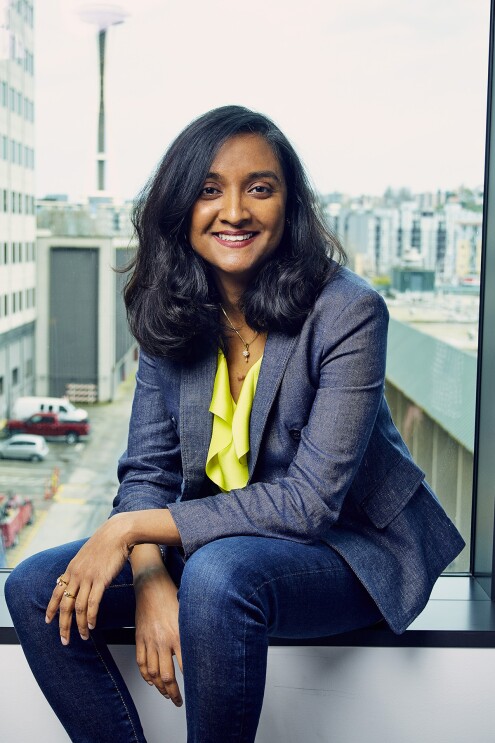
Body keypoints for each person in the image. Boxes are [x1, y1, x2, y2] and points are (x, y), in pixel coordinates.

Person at [5, 106, 465, 743]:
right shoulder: (168, 304)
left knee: (220, 575)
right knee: (34, 586)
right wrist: (148, 576)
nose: (235, 211)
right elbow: (147, 470)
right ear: (179, 207)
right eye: (209, 189)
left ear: (288, 204)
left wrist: (131, 530)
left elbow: (309, 504)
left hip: (348, 549)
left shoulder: (349, 311)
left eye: (260, 188)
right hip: (223, 543)